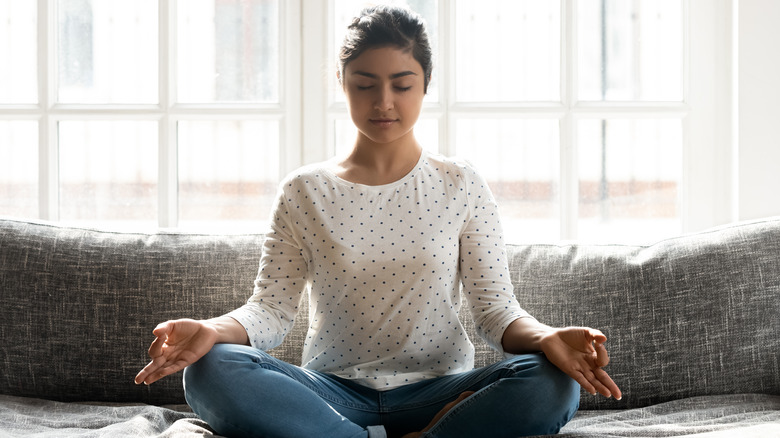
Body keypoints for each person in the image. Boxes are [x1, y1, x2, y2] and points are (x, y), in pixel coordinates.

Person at [135, 5, 621, 438]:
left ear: (425, 84)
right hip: (331, 393)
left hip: (441, 392)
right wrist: (212, 329)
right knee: (209, 368)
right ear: (343, 84)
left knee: (552, 380)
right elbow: (270, 312)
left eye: (402, 84)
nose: (383, 101)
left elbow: (496, 312)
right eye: (365, 84)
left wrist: (547, 337)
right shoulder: (305, 190)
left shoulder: (461, 183)